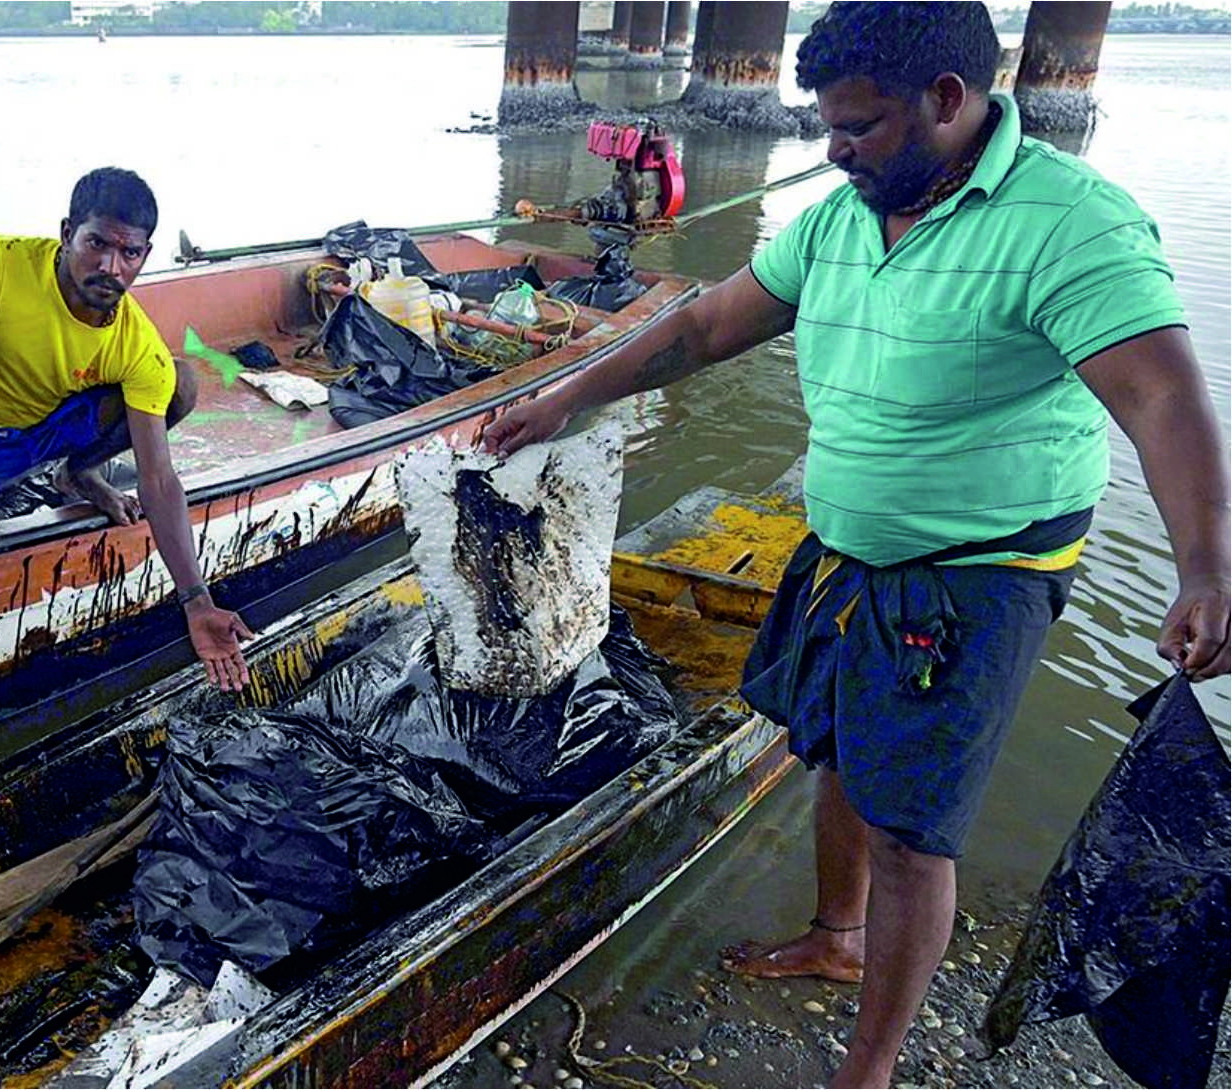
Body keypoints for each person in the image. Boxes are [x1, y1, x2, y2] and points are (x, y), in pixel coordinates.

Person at [482, 4, 1230, 1087]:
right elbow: (699, 327)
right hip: (844, 549)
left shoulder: (1071, 223)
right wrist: (566, 398)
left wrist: (1204, 565)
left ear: (945, 99)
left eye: (859, 126)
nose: (830, 148)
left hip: (978, 572)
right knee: (831, 745)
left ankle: (866, 1070)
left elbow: (1160, 394)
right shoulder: (839, 217)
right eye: (826, 124)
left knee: (912, 831)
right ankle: (838, 936)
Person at [0, 167, 254, 691]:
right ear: (66, 234)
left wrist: (198, 601)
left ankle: (77, 476)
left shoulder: (135, 343)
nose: (110, 267)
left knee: (178, 382)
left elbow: (159, 480)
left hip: (56, 425)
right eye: (96, 244)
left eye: (129, 254)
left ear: (144, 256)